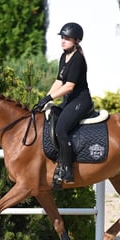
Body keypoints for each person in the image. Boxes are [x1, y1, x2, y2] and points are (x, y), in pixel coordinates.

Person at [37, 22, 93, 185]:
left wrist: (49, 98)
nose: (63, 41)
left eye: (67, 38)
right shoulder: (64, 56)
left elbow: (69, 86)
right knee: (50, 121)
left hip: (80, 101)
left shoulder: (77, 59)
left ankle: (67, 169)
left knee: (61, 129)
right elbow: (59, 81)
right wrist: (44, 99)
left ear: (76, 40)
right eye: (62, 37)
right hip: (69, 101)